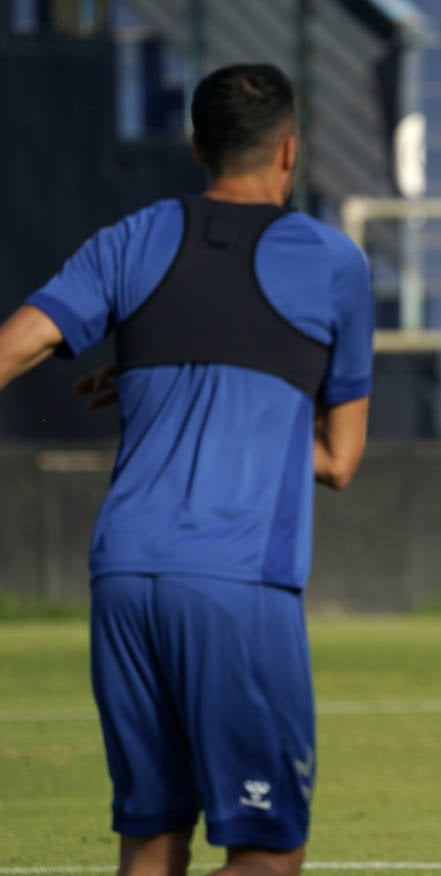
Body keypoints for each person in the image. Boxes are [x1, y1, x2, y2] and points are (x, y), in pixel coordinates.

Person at [1, 64, 374, 876]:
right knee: (266, 851)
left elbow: (10, 349)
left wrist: (157, 381)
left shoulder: (130, 238)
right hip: (236, 583)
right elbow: (341, 460)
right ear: (290, 151)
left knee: (152, 839)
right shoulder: (333, 263)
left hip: (125, 576)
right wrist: (258, 415)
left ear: (196, 145)